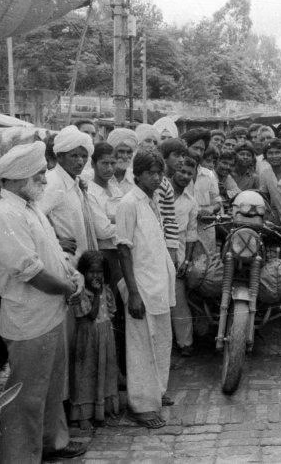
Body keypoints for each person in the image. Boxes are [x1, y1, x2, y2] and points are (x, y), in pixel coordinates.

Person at [0, 141, 87, 462]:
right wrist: (69, 289)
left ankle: (51, 444)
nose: (45, 178)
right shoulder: (5, 216)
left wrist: (74, 275)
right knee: (26, 398)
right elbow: (33, 273)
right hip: (29, 322)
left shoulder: (30, 209)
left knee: (52, 389)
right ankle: (20, 458)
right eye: (39, 173)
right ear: (18, 177)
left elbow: (54, 254)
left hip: (50, 315)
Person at [116, 149, 176, 428]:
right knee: (141, 344)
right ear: (137, 173)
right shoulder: (129, 203)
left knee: (161, 339)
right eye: (150, 173)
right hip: (141, 286)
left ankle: (157, 392)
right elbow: (124, 251)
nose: (156, 178)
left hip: (158, 283)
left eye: (159, 173)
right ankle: (140, 406)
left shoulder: (152, 200)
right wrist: (134, 293)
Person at [38, 126, 114, 262]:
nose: (80, 161)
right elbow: (34, 217)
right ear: (59, 156)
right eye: (74, 156)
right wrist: (54, 242)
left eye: (84, 156)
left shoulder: (76, 182)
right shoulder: (53, 182)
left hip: (81, 260)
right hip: (65, 261)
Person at [87, 142, 126, 375]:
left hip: (120, 253)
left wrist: (114, 220)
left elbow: (117, 219)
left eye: (113, 163)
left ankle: (121, 369)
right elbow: (102, 231)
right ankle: (112, 372)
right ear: (94, 164)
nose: (109, 168)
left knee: (120, 311)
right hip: (106, 257)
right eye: (104, 163)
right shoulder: (91, 192)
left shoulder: (115, 187)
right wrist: (121, 223)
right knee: (110, 311)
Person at [69, 250, 120, 430]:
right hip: (87, 339)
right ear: (83, 273)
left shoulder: (105, 290)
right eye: (91, 272)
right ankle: (83, 415)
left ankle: (103, 410)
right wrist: (98, 294)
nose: (96, 276)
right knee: (86, 375)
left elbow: (111, 312)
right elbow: (90, 315)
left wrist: (102, 292)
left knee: (105, 371)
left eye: (99, 272)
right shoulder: (81, 294)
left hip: (104, 337)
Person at [170, 156, 200, 357]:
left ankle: (185, 342)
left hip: (179, 249)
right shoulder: (159, 193)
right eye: (181, 171)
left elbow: (191, 233)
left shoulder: (190, 201)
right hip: (157, 246)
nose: (185, 176)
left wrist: (187, 260)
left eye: (189, 173)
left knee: (178, 297)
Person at [106, 127, 138, 195]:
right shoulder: (99, 176)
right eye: (121, 151)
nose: (125, 156)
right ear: (111, 151)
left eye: (129, 152)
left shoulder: (136, 178)